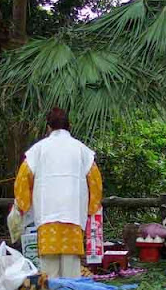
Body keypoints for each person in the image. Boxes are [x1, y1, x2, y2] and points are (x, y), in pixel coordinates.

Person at [14, 108, 102, 278]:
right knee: (72, 264)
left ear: (48, 127)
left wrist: (24, 206)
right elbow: (95, 182)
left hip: (47, 213)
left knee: (48, 265)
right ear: (70, 126)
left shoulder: (38, 150)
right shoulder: (81, 150)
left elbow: (22, 180)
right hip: (74, 213)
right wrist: (91, 208)